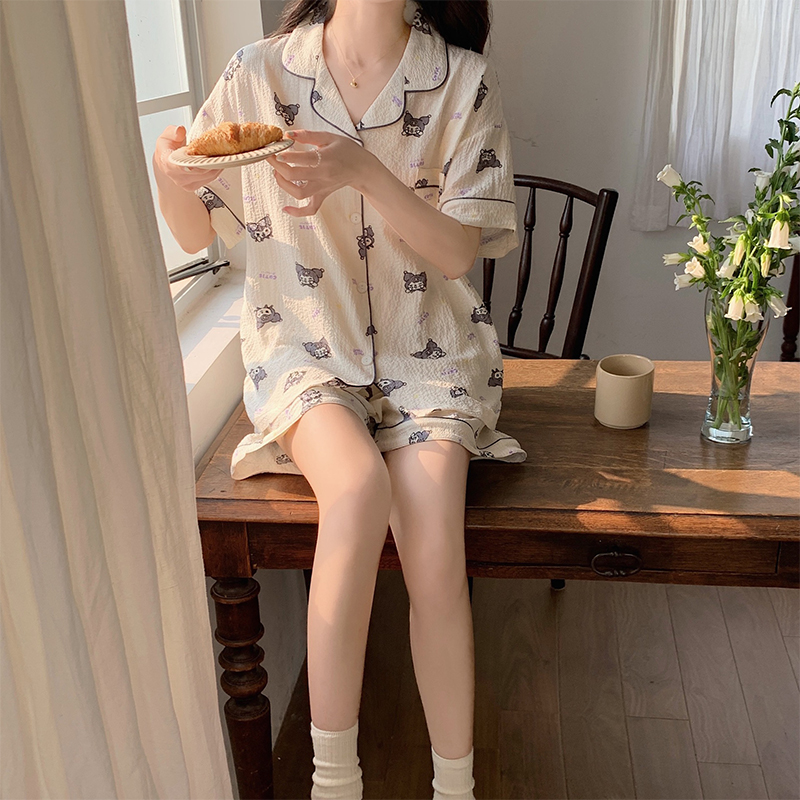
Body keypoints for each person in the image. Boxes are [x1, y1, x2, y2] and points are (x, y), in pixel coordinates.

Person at [154, 1, 526, 797]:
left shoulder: (464, 81)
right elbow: (192, 234)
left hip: (429, 354)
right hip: (303, 348)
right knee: (355, 491)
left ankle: (455, 789)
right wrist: (168, 170)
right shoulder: (258, 73)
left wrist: (361, 169)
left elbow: (458, 251)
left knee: (434, 549)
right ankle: (334, 784)